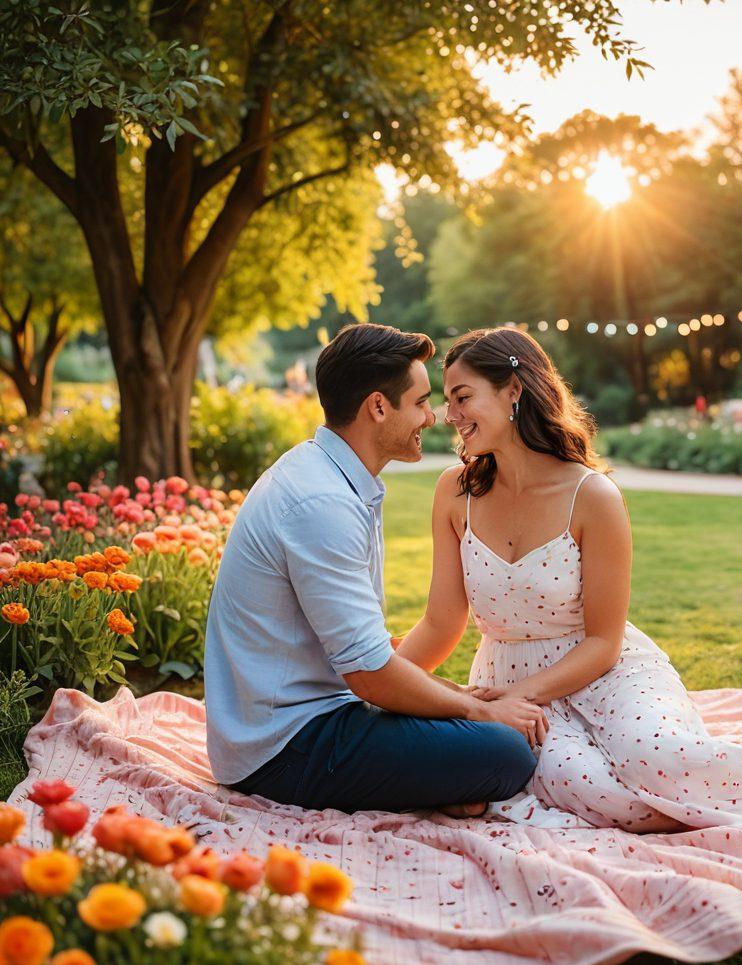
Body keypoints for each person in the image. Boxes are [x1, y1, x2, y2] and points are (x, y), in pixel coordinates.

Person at [398, 326, 742, 833]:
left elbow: (604, 641)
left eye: (462, 397)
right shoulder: (454, 492)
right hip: (508, 681)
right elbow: (442, 622)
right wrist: (375, 677)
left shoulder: (592, 497)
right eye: (448, 400)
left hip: (605, 669)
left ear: (513, 391)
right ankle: (710, 800)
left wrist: (521, 696)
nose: (451, 415)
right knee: (603, 795)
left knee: (657, 756)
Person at [204, 323, 548, 816]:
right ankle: (439, 781)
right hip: (283, 748)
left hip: (319, 714)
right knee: (506, 752)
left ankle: (436, 781)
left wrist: (454, 695)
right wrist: (480, 709)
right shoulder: (320, 501)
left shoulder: (331, 476)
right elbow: (370, 676)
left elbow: (364, 656)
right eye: (422, 402)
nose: (433, 418)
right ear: (378, 407)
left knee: (473, 733)